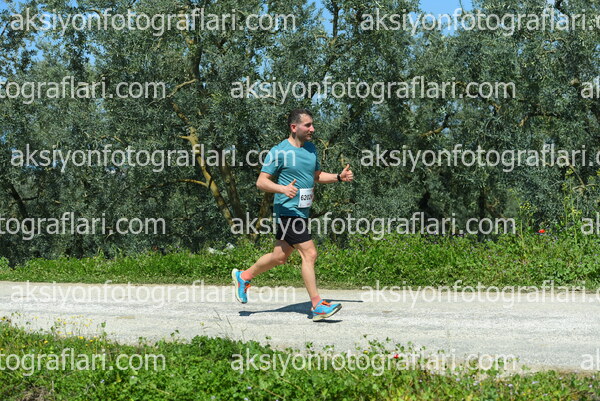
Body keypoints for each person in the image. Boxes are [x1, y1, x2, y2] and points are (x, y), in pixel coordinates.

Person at [232, 108, 354, 321]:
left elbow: (316, 176)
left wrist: (338, 176)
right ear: (294, 127)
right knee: (310, 253)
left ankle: (244, 276)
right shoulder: (279, 151)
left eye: (312, 125)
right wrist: (282, 189)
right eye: (308, 125)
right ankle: (317, 305)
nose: (312, 129)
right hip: (287, 211)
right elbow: (261, 181)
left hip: (302, 212)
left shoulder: (311, 149)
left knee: (279, 257)